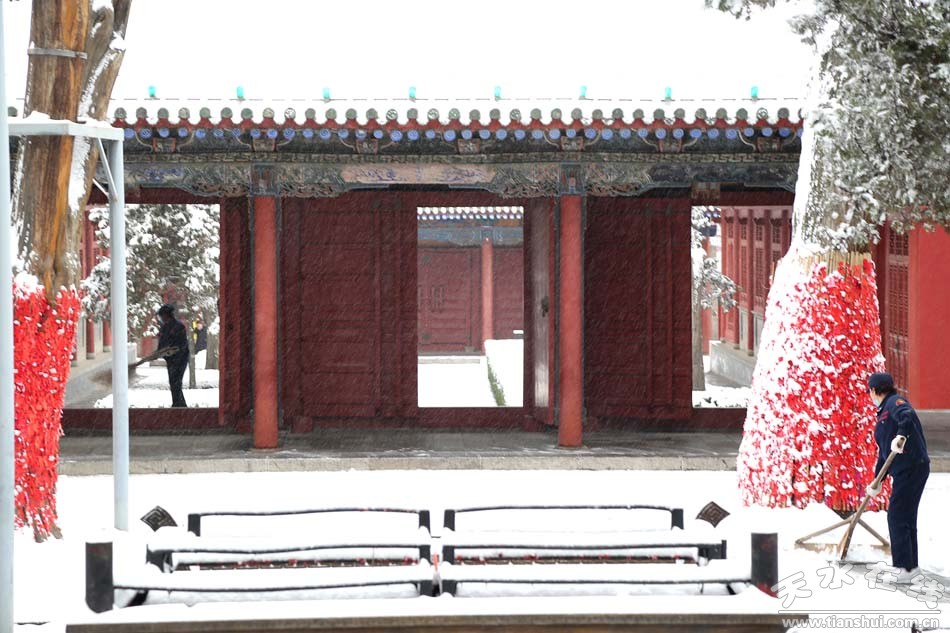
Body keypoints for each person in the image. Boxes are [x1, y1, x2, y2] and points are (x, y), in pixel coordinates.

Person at [865, 372, 929, 582]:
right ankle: (911, 567)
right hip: (908, 469)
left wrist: (901, 435)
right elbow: (885, 454)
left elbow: (907, 415)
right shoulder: (884, 411)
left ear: (874, 390)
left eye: (870, 391)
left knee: (896, 516)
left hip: (912, 467)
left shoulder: (894, 403)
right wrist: (877, 480)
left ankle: (903, 567)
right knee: (906, 517)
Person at [157, 304, 190, 408]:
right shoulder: (164, 328)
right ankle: (178, 404)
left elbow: (181, 345)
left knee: (176, 382)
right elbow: (162, 343)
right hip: (170, 360)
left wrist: (171, 351)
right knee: (173, 382)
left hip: (180, 359)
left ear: (167, 315)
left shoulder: (179, 327)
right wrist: (160, 352)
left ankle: (179, 405)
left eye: (162, 316)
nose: (161, 319)